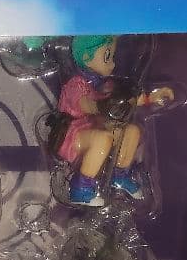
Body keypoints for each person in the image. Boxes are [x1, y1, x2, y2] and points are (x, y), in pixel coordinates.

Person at [55, 35, 173, 206]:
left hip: (92, 127)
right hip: (71, 135)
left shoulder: (105, 84)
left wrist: (152, 97)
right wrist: (108, 105)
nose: (113, 64)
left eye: (112, 57)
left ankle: (119, 175)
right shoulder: (76, 84)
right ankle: (81, 188)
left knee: (131, 131)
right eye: (107, 57)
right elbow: (87, 105)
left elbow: (130, 100)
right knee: (102, 139)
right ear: (87, 58)